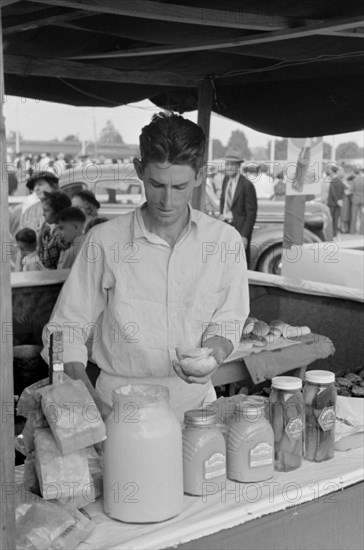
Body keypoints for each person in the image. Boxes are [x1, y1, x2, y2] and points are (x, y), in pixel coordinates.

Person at [42, 112, 249, 421]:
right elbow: (65, 332)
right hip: (118, 410)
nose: (167, 200)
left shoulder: (224, 242)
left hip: (196, 412)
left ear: (200, 175)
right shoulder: (105, 242)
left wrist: (214, 354)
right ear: (139, 170)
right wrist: (91, 405)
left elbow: (229, 318)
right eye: (156, 184)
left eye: (180, 187)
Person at [219, 147, 257, 266]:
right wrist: (221, 215)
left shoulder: (246, 185)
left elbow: (251, 213)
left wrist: (244, 236)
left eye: (232, 165)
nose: (229, 167)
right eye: (227, 164)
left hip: (239, 230)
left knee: (238, 264)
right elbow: (223, 200)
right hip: (225, 227)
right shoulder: (225, 180)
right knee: (224, 262)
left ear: (238, 166)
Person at [38, 191, 71, 269]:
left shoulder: (60, 233)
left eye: (46, 211)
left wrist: (39, 239)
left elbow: (48, 264)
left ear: (58, 212)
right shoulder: (59, 229)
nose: (43, 214)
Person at [327, 166, 345, 238]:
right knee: (336, 219)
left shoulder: (333, 181)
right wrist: (339, 200)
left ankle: (330, 233)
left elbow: (332, 192)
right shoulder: (341, 182)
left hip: (332, 203)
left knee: (330, 218)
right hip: (338, 203)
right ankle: (335, 233)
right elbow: (343, 192)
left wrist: (336, 200)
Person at [350, 169, 364, 234]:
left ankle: (352, 231)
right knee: (362, 216)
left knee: (354, 215)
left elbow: (351, 190)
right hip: (363, 200)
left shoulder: (355, 180)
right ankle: (362, 231)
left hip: (355, 199)